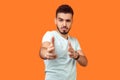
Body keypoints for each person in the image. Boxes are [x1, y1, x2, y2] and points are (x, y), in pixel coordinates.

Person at [40, 4, 88, 80]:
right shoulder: (50, 35)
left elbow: (85, 62)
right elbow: (43, 49)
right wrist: (46, 53)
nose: (64, 24)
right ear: (55, 21)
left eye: (68, 21)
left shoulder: (74, 41)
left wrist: (76, 55)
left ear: (72, 22)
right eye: (61, 20)